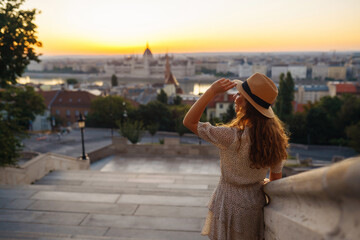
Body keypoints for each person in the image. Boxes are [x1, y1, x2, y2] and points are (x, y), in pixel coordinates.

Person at [183, 73, 289, 240]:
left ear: (246, 104)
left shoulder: (232, 136)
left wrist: (211, 91)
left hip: (228, 205)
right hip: (254, 207)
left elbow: (189, 122)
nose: (235, 97)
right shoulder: (276, 140)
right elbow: (275, 181)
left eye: (240, 94)